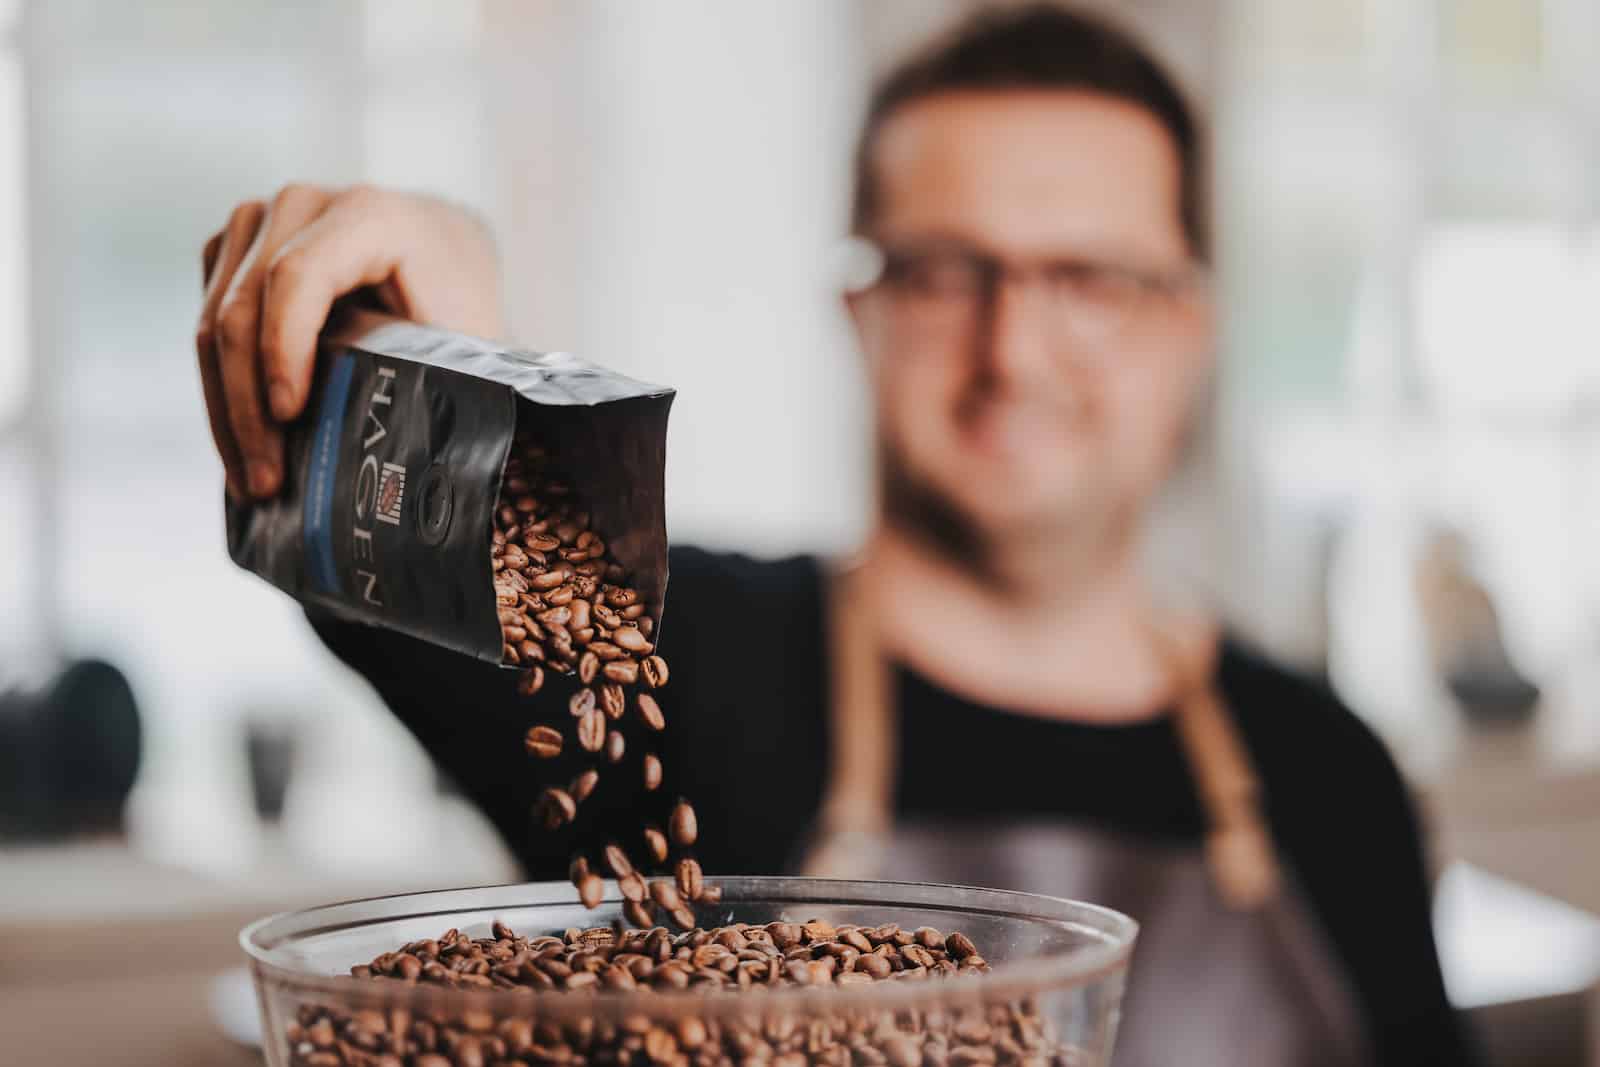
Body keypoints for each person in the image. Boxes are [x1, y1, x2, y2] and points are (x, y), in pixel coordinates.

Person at [194, 6, 1474, 1065]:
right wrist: (411, 319)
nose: (1011, 351)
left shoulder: (1327, 771)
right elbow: (345, 516)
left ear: (1190, 324)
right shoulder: (671, 662)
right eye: (944, 271)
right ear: (859, 310)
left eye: (1090, 277)